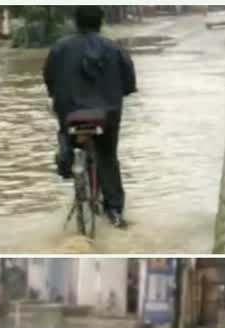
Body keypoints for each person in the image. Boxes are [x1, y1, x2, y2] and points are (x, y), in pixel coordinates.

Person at [43, 6, 137, 228]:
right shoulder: (115, 49)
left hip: (71, 115)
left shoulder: (59, 48)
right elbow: (129, 83)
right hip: (107, 116)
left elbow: (49, 79)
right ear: (100, 22)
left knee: (65, 131)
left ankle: (66, 156)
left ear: (76, 22)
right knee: (107, 157)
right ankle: (114, 210)